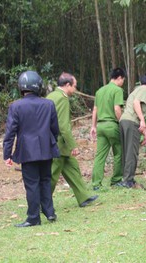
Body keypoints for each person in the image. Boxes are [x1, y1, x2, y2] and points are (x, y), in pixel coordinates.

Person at [3, 70, 59, 227]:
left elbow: (10, 132)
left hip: (27, 151)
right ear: (39, 86)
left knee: (32, 184)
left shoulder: (16, 106)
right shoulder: (48, 104)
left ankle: (33, 217)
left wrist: (7, 154)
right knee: (45, 180)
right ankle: (50, 212)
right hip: (47, 149)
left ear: (21, 87)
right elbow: (55, 128)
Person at [47, 72, 98, 207]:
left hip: (55, 142)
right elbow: (64, 126)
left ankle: (83, 197)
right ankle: (42, 203)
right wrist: (73, 146)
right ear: (67, 85)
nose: (75, 90)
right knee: (52, 175)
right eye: (74, 86)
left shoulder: (51, 96)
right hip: (58, 143)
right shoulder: (62, 98)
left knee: (73, 168)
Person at [90, 68, 125, 190]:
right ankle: (116, 180)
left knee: (100, 155)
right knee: (119, 152)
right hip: (112, 125)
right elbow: (117, 109)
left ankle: (96, 184)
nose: (123, 82)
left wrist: (93, 126)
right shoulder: (117, 90)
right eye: (123, 80)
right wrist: (122, 123)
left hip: (100, 126)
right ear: (119, 77)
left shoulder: (100, 91)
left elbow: (95, 110)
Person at [118, 75, 146, 189]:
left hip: (124, 121)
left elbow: (139, 118)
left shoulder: (136, 89)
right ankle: (128, 180)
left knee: (126, 151)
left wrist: (145, 135)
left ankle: (126, 178)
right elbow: (136, 103)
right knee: (131, 152)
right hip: (131, 122)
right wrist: (143, 121)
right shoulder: (145, 89)